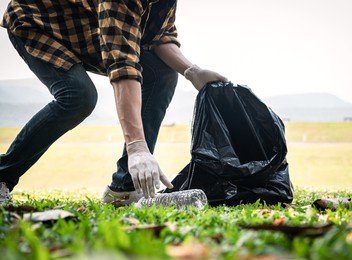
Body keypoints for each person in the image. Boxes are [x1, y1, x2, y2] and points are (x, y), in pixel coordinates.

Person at [0, 0, 227, 204]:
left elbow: (161, 37)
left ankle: (124, 190)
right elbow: (123, 65)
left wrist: (192, 71)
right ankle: (2, 176)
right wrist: (137, 146)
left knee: (162, 74)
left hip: (84, 26)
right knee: (78, 97)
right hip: (36, 18)